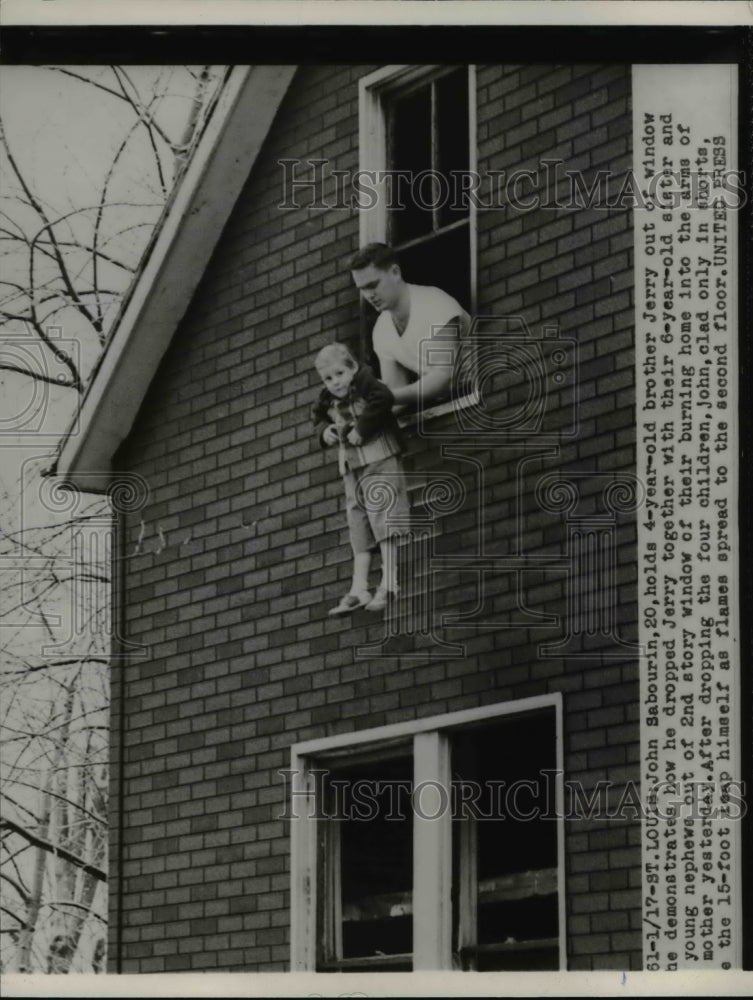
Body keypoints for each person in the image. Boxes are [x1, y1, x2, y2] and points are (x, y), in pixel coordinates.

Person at [312, 342, 410, 616]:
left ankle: (389, 582)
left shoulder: (365, 381)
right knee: (358, 522)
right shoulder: (325, 398)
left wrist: (363, 427)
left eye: (339, 374)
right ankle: (359, 587)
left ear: (352, 368)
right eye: (328, 378)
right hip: (351, 466)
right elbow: (317, 417)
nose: (335, 382)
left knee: (384, 514)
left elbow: (384, 398)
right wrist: (325, 432)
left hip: (378, 457)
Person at [350, 243, 471, 412]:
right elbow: (397, 398)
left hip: (484, 393)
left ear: (395, 273)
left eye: (373, 285)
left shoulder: (434, 302)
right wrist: (361, 415)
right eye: (363, 289)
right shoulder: (381, 329)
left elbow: (443, 377)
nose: (369, 295)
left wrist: (387, 397)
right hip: (444, 407)